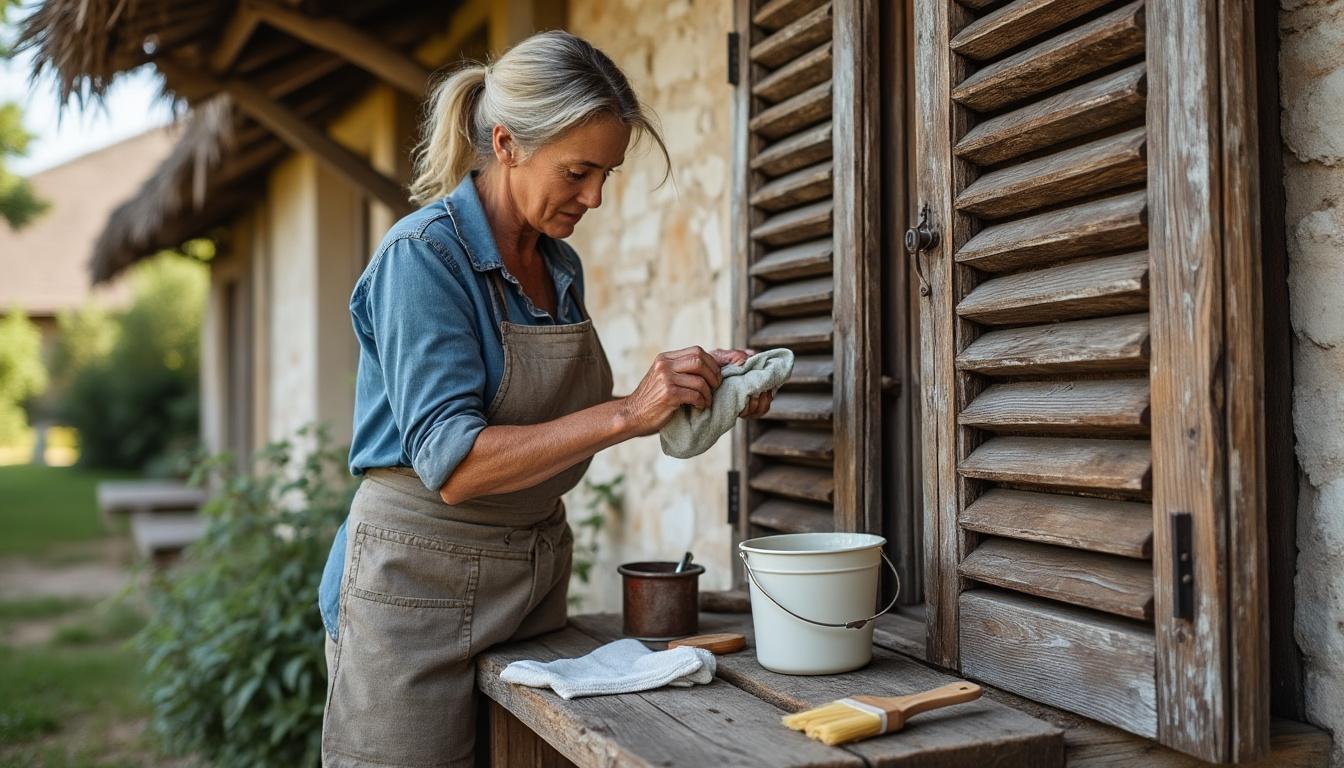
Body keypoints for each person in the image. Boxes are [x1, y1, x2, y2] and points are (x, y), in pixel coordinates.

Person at [317, 30, 775, 767]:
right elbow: (456, 463)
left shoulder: (556, 265)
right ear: (506, 144)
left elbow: (563, 425)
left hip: (531, 582)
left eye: (607, 174)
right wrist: (627, 413)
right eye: (578, 171)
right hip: (415, 591)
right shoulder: (424, 259)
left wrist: (697, 395)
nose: (594, 197)